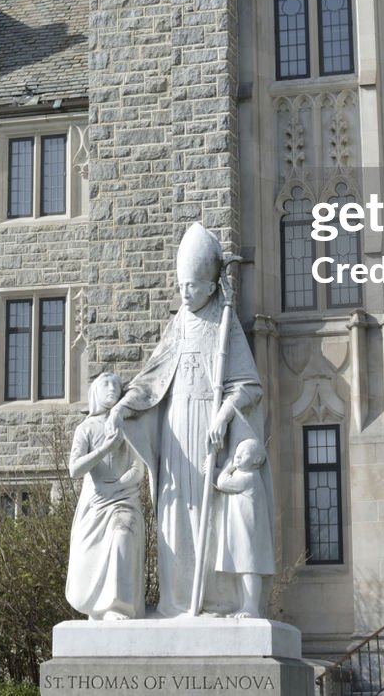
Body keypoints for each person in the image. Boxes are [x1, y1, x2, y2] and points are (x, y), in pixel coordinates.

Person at [109, 221, 270, 618]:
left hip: (211, 431)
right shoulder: (180, 321)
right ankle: (178, 601)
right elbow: (153, 374)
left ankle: (216, 600)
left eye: (193, 286)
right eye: (181, 286)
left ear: (213, 285)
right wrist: (126, 403)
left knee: (212, 517)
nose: (185, 293)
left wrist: (223, 414)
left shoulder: (225, 322)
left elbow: (250, 386)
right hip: (177, 426)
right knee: (176, 511)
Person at [65, 371, 145, 621]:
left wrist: (120, 485)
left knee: (122, 536)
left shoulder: (128, 426)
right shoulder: (86, 428)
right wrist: (105, 448)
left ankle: (117, 605)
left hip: (123, 499)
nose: (112, 388)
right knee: (92, 553)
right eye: (106, 384)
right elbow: (75, 469)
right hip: (95, 503)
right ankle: (97, 608)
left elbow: (138, 466)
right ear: (95, 393)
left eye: (116, 385)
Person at [212, 432, 276, 619]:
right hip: (243, 530)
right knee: (244, 567)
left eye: (243, 454)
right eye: (236, 454)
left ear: (256, 460)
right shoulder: (244, 474)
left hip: (249, 532)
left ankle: (251, 607)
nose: (238, 457)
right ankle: (245, 604)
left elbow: (223, 483)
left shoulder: (249, 476)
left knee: (249, 567)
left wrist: (226, 465)